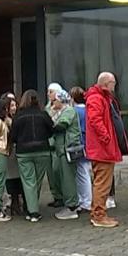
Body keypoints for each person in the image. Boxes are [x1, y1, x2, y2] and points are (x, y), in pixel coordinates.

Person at [85, 72, 127, 228]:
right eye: (113, 83)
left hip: (103, 148)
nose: (114, 86)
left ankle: (98, 213)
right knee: (102, 184)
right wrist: (106, 138)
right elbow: (95, 120)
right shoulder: (97, 98)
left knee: (102, 183)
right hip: (102, 149)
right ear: (106, 83)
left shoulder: (101, 97)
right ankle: (98, 216)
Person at [11, 90, 54, 223]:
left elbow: (13, 136)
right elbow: (51, 130)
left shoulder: (18, 116)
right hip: (42, 150)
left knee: (28, 181)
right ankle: (32, 208)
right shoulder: (43, 114)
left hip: (24, 152)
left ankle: (32, 211)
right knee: (38, 180)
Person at [49, 90, 82, 220]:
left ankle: (72, 206)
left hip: (67, 149)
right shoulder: (61, 111)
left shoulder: (68, 111)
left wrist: (48, 124)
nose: (52, 103)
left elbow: (62, 125)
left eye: (54, 101)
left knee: (68, 178)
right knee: (61, 176)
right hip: (61, 149)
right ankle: (68, 202)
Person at [70, 87, 92, 214]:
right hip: (88, 143)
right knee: (84, 172)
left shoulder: (75, 111)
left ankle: (85, 201)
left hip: (80, 144)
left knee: (81, 174)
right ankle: (86, 200)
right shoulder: (88, 110)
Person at [45, 82, 66, 208]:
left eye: (51, 91)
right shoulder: (47, 108)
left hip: (59, 144)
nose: (48, 94)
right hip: (49, 144)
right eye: (48, 91)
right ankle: (56, 196)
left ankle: (63, 195)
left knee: (58, 170)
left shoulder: (64, 107)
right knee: (51, 173)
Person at [2, 94, 23, 219]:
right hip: (9, 152)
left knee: (17, 178)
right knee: (11, 178)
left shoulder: (17, 118)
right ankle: (13, 202)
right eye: (11, 106)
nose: (14, 108)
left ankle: (17, 203)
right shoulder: (5, 121)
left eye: (15, 105)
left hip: (16, 151)